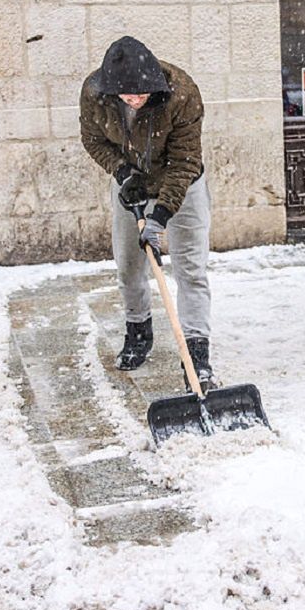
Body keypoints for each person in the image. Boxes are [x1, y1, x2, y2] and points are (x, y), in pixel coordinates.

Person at [79, 36, 216, 392]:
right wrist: (123, 173)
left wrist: (161, 215)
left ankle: (197, 355)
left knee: (190, 268)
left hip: (182, 184)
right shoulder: (96, 93)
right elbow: (93, 140)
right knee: (128, 264)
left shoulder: (181, 92)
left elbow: (185, 160)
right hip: (132, 184)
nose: (135, 100)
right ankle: (138, 330)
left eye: (142, 95)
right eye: (128, 96)